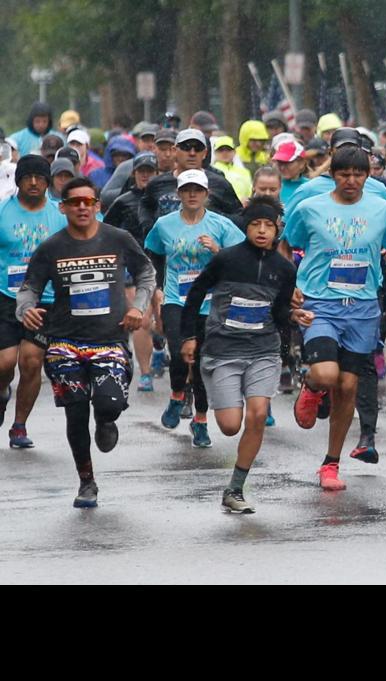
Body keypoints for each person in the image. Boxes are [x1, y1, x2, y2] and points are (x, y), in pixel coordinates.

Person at [12, 174, 157, 508]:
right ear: (62, 207)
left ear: (97, 206)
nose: (81, 207)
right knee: (76, 414)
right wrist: (27, 310)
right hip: (64, 341)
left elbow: (146, 273)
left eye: (87, 202)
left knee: (107, 405)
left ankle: (107, 419)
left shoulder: (118, 239)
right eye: (74, 202)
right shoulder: (52, 248)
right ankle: (86, 481)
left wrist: (138, 307)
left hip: (110, 340)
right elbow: (29, 288)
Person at [283, 145, 386, 492]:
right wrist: (290, 286)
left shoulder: (383, 210)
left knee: (349, 385)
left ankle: (330, 463)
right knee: (326, 373)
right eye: (344, 174)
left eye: (358, 175)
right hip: (320, 303)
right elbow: (287, 244)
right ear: (333, 176)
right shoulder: (310, 207)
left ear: (368, 177)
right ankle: (311, 386)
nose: (351, 181)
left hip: (364, 306)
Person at [181, 197, 312, 512]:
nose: (263, 231)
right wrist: (189, 337)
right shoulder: (226, 259)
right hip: (223, 350)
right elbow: (196, 293)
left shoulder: (284, 268)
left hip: (262, 350)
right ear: (246, 227)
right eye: (256, 224)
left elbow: (279, 311)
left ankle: (235, 490)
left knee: (257, 414)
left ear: (277, 230)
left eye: (269, 225)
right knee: (229, 425)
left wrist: (294, 317)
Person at [144, 169, 246, 448]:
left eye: (197, 190)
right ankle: (177, 395)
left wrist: (217, 250)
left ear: (206, 194)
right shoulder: (164, 225)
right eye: (186, 190)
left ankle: (200, 420)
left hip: (210, 302)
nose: (192, 195)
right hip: (177, 299)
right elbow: (152, 252)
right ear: (178, 194)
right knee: (178, 353)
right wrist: (158, 288)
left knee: (201, 363)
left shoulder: (220, 225)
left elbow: (241, 258)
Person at [0, 155, 62, 451]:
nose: (34, 183)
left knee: (31, 360)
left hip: (44, 300)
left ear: (48, 181)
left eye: (40, 178)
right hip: (6, 296)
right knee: (5, 362)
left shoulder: (59, 216)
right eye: (28, 178)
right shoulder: (3, 211)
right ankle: (2, 393)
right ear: (18, 180)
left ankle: (19, 424)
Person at [209, 135, 253, 202]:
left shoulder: (244, 172)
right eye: (221, 150)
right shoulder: (211, 171)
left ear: (234, 152)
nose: (225, 153)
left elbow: (250, 192)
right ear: (215, 153)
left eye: (228, 150)